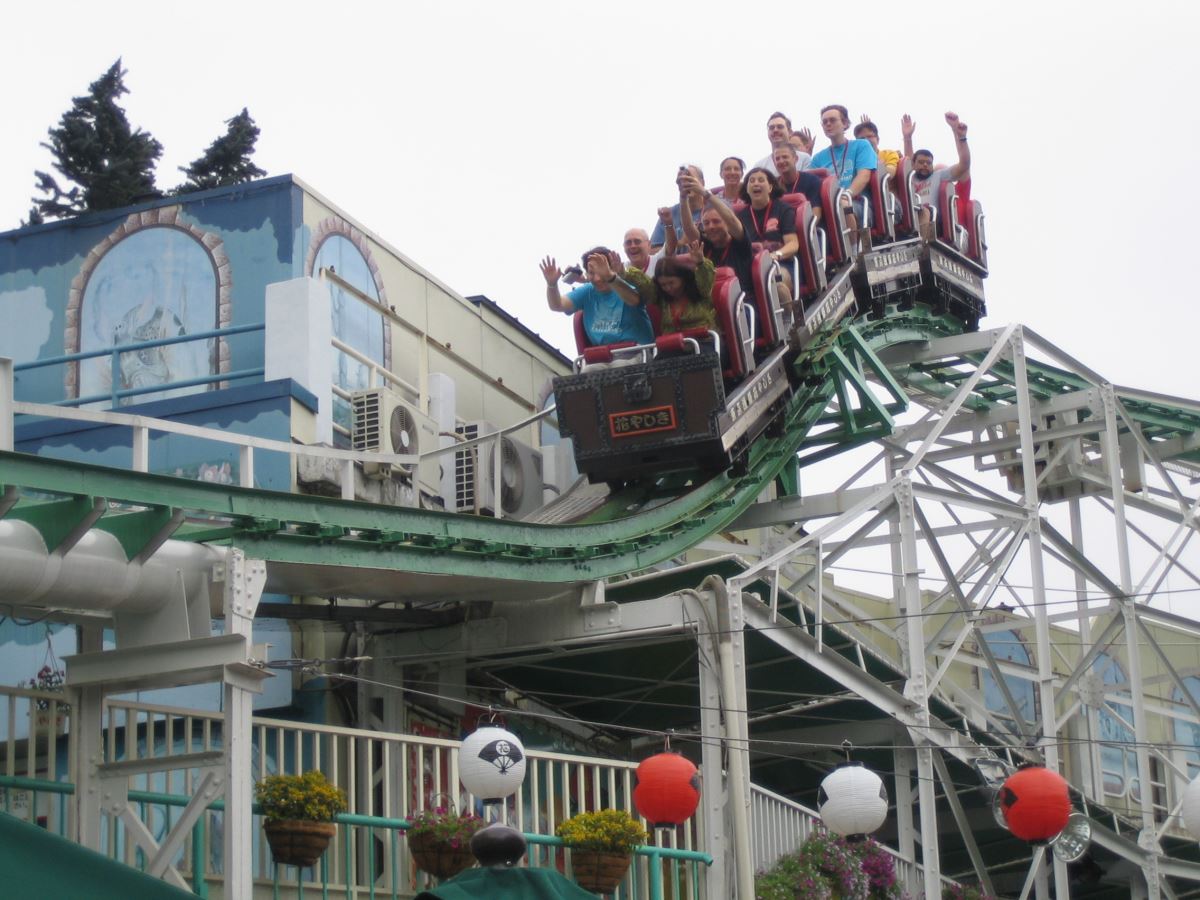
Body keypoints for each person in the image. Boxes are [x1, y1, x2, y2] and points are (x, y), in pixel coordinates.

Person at [540, 247, 654, 348]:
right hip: (604, 357)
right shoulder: (587, 290)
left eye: (601, 272)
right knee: (588, 371)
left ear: (612, 269)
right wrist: (552, 285)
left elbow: (634, 301)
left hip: (636, 352)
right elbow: (557, 305)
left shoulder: (624, 285)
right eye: (591, 273)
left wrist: (609, 276)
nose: (597, 278)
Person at [810, 104, 877, 240]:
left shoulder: (861, 145)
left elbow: (864, 175)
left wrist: (847, 194)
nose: (828, 124)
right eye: (824, 122)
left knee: (843, 205)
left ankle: (853, 254)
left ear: (845, 123)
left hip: (858, 204)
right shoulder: (817, 158)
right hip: (829, 207)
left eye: (832, 120)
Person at [902, 112, 971, 238]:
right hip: (912, 218)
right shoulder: (911, 177)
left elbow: (964, 165)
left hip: (933, 221)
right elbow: (908, 161)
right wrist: (907, 138)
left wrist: (961, 137)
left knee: (925, 211)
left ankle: (923, 244)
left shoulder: (937, 176)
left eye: (928, 163)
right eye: (921, 162)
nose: (925, 165)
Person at [649, 241, 717, 335]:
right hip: (673, 345)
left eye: (671, 283)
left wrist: (701, 263)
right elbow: (645, 287)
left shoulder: (700, 289)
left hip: (704, 341)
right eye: (663, 285)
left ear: (682, 278)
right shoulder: (662, 298)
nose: (668, 288)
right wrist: (624, 273)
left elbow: (706, 279)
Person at [649, 164, 707, 250]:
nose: (685, 183)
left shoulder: (713, 210)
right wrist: (679, 244)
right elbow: (653, 251)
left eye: (689, 178)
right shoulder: (668, 215)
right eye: (680, 181)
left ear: (702, 182)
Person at [772, 144, 824, 223]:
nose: (781, 161)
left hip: (807, 229)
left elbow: (816, 212)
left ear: (795, 159)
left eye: (785, 157)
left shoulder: (811, 180)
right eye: (777, 159)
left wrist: (801, 228)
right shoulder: (772, 186)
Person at [754, 112, 812, 176]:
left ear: (790, 132)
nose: (775, 130)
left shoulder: (804, 159)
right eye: (771, 128)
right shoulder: (760, 166)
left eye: (780, 127)